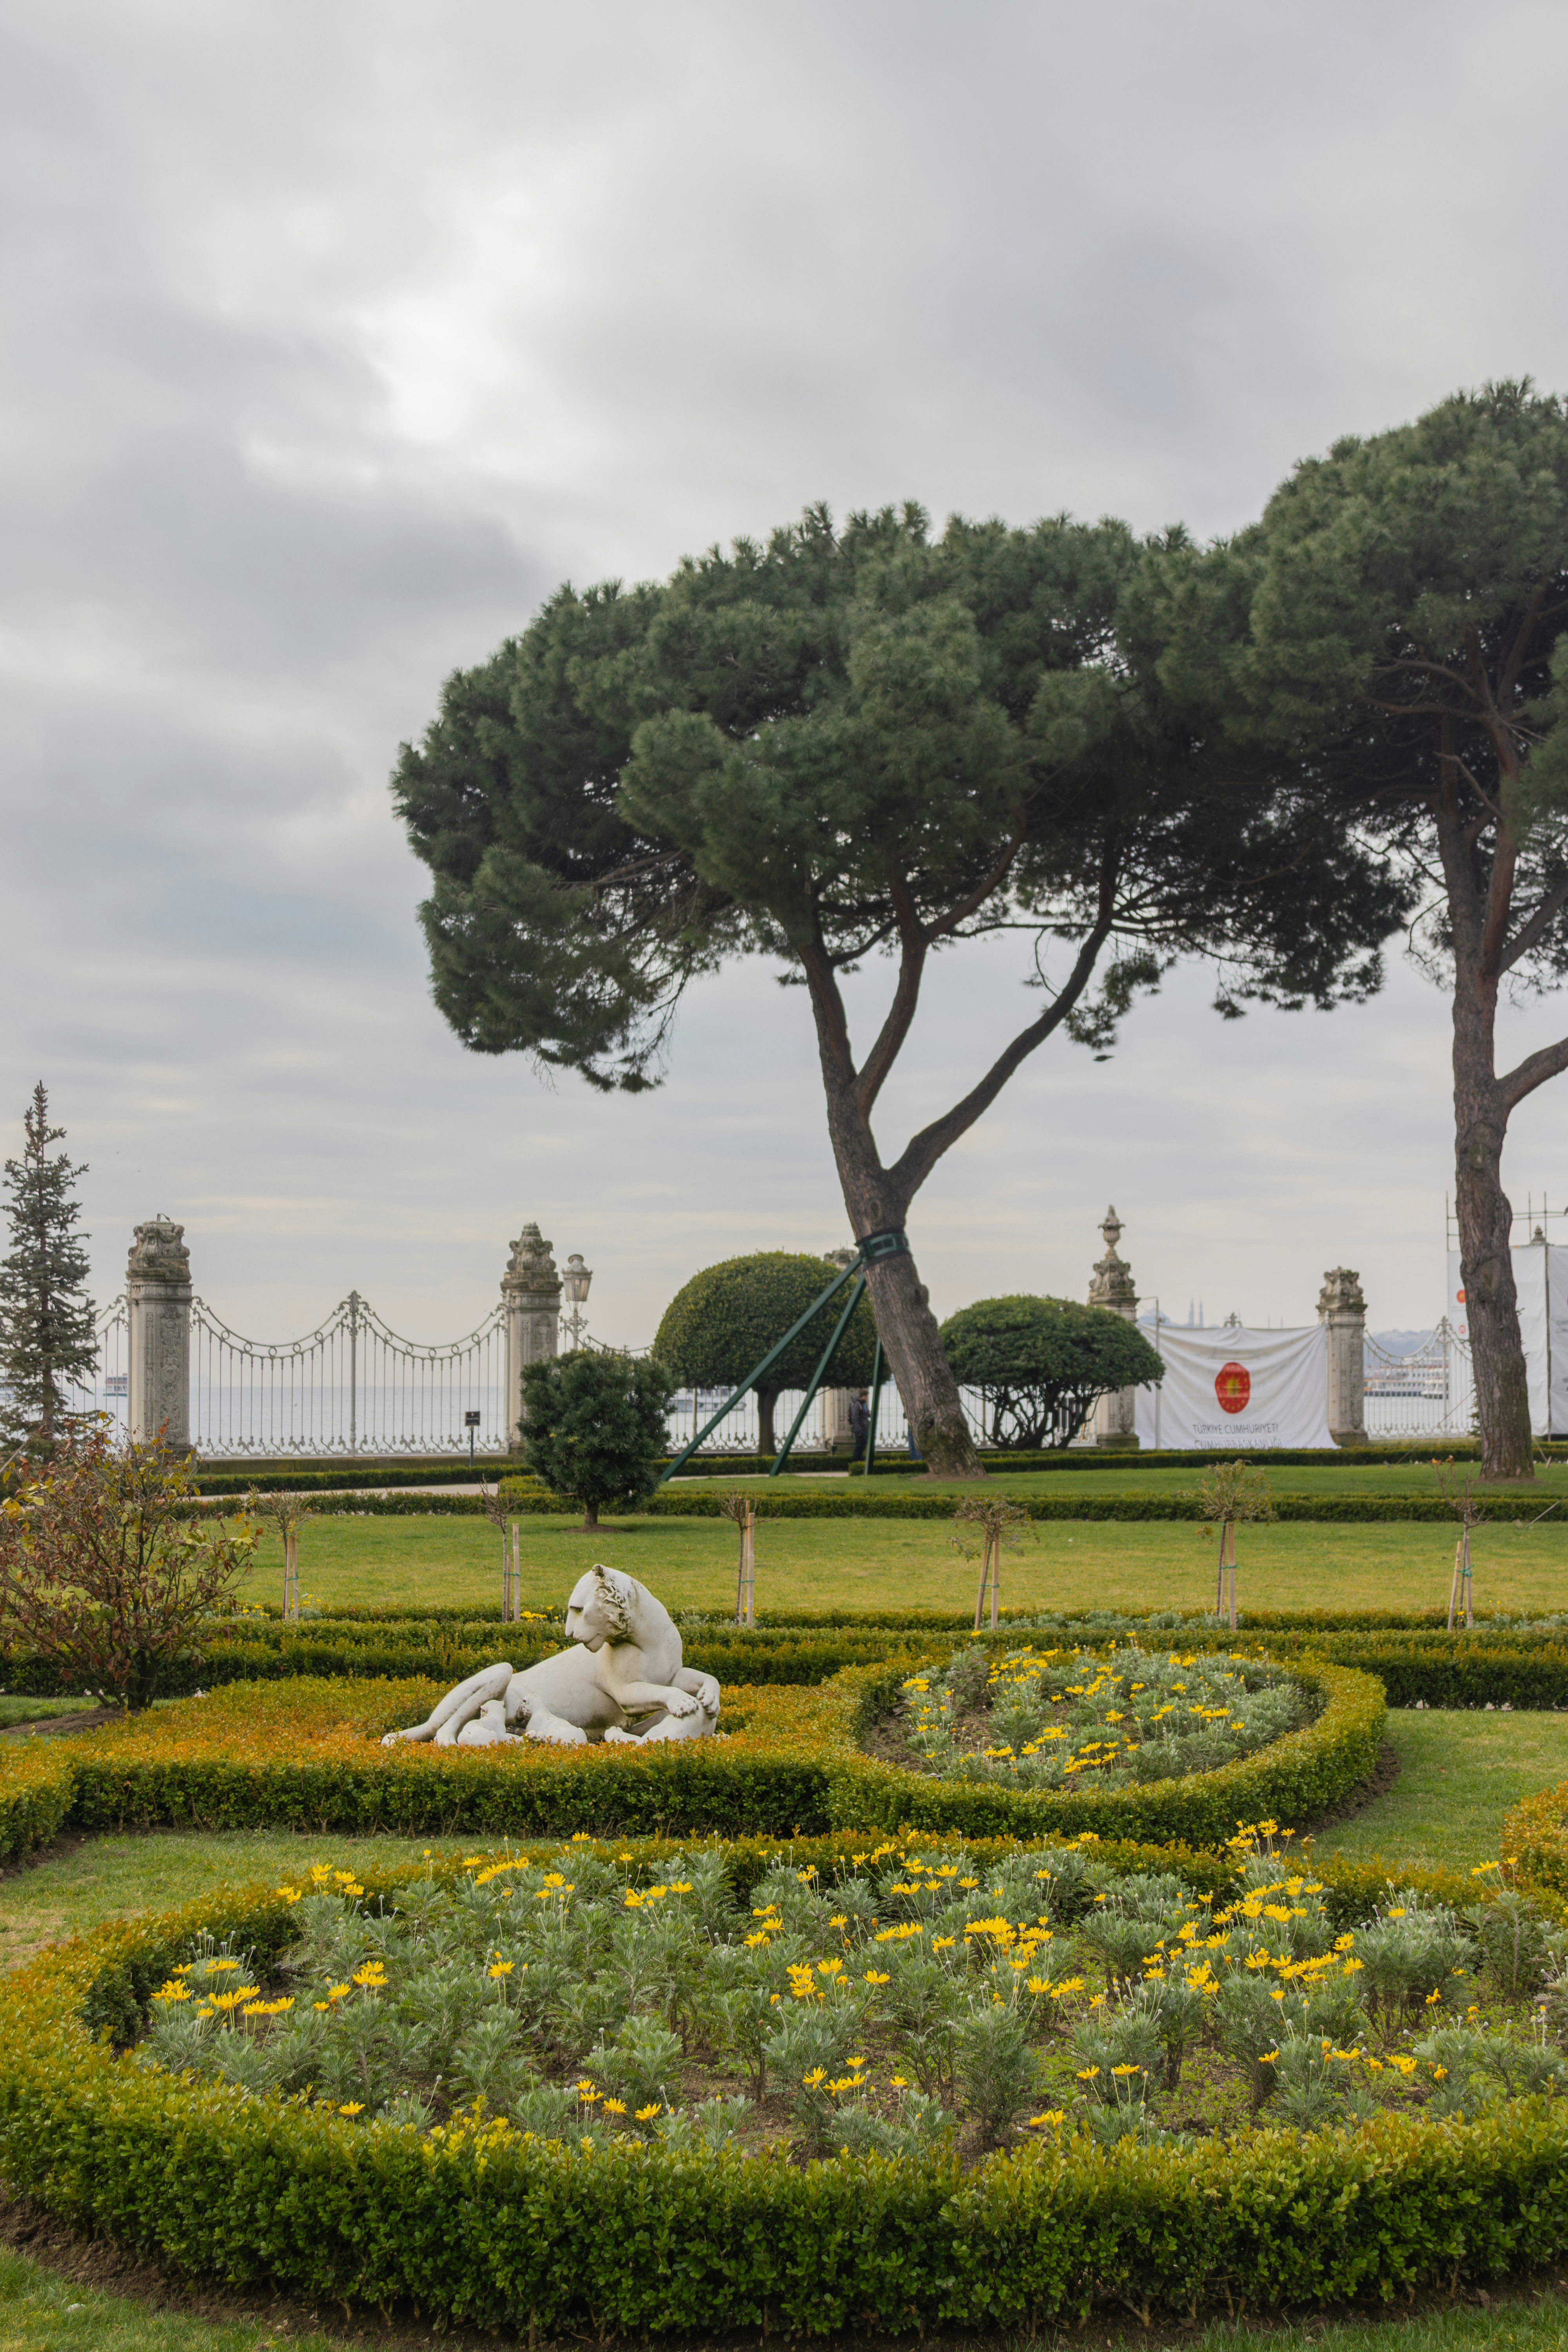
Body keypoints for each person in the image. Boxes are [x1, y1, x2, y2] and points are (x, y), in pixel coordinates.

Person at [848, 1388, 869, 1459]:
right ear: (864, 1396)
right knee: (859, 1448)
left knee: (863, 1447)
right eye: (867, 1397)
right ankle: (856, 1463)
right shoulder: (857, 1405)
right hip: (860, 1430)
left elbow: (864, 1415)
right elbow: (855, 1419)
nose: (867, 1398)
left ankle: (860, 1463)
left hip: (865, 1429)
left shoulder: (863, 1405)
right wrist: (859, 1431)